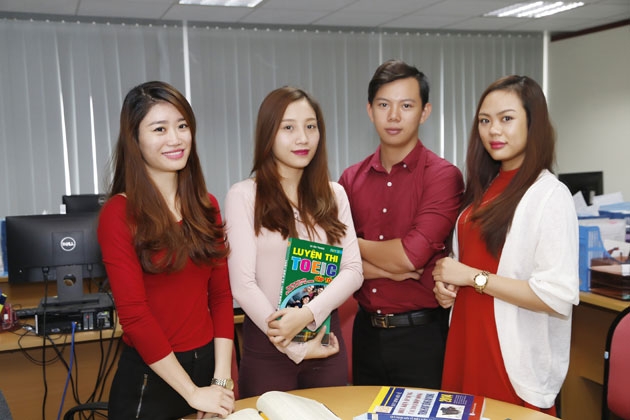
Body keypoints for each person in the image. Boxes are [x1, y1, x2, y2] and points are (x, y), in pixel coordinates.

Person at [432, 75, 580, 414]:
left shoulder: (550, 195)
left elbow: (555, 295)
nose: (493, 130)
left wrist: (471, 277)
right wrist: (448, 286)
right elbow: (467, 261)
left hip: (509, 359)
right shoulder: (482, 188)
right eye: (485, 121)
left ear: (533, 123)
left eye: (506, 118)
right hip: (466, 342)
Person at [97, 81, 235, 419]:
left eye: (182, 126)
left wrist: (220, 381)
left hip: (208, 370)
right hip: (152, 375)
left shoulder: (206, 206)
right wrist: (192, 393)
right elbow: (134, 317)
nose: (175, 138)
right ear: (135, 139)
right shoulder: (118, 213)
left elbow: (220, 297)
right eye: (160, 129)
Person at [225, 86, 363, 398]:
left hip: (325, 343)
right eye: (288, 128)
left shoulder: (334, 195)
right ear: (268, 134)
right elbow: (243, 285)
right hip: (268, 347)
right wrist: (293, 345)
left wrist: (307, 314)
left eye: (310, 126)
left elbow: (353, 270)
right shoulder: (244, 196)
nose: (303, 138)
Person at [338, 59, 464, 388]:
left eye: (406, 106)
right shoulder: (349, 180)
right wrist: (388, 268)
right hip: (366, 334)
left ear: (424, 112)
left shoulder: (443, 177)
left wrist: (353, 246)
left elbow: (411, 256)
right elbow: (332, 259)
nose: (393, 116)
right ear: (370, 110)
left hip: (423, 338)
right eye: (384, 105)